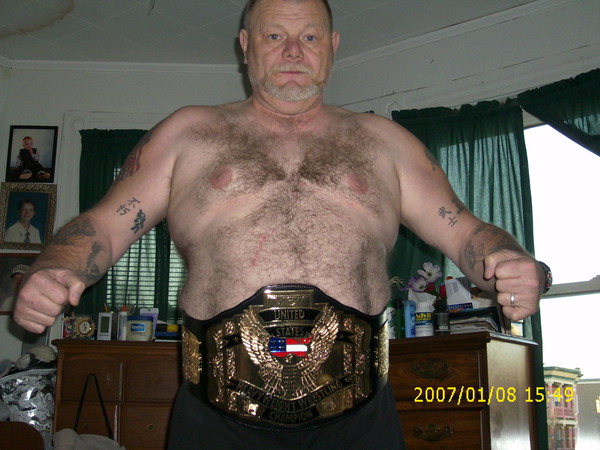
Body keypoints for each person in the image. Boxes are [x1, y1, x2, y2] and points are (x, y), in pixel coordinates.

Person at [14, 0, 552, 448]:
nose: (293, 51)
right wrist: (56, 267)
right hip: (217, 419)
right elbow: (105, 227)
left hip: (360, 418)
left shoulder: (385, 143)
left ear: (332, 47)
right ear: (245, 45)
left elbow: (464, 231)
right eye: (275, 35)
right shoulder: (188, 134)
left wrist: (509, 261)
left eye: (309, 37)